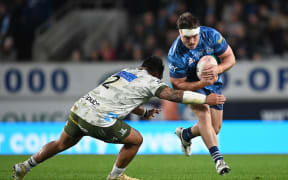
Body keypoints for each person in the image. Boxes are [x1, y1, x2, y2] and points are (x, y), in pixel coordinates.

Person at [13, 56, 226, 180]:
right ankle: (115, 177)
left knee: (61, 143)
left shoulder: (126, 72)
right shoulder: (151, 82)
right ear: (157, 74)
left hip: (80, 108)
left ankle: (25, 166)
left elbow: (121, 97)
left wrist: (143, 113)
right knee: (136, 140)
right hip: (98, 119)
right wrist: (206, 99)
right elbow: (174, 95)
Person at [168, 12, 236, 175]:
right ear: (180, 34)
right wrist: (202, 84)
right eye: (187, 38)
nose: (191, 41)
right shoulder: (176, 53)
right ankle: (219, 160)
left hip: (213, 82)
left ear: (199, 31)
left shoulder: (211, 36)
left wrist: (217, 69)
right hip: (191, 86)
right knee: (204, 113)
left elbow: (230, 58)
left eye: (195, 37)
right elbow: (178, 83)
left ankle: (185, 134)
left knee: (215, 128)